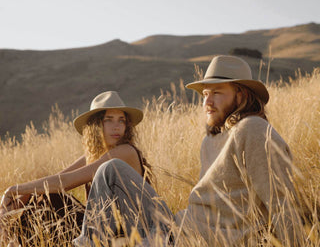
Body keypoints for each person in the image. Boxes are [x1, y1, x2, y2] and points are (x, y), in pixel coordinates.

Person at [72, 55, 302, 246]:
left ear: (241, 95)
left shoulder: (253, 129)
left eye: (217, 93)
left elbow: (281, 203)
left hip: (193, 240)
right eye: (204, 95)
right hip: (176, 225)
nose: (207, 102)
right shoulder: (211, 140)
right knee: (110, 170)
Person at [0, 91, 150, 245]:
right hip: (101, 229)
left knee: (51, 197)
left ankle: (12, 240)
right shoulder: (94, 156)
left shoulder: (125, 151)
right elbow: (56, 179)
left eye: (121, 120)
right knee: (44, 196)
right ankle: (11, 238)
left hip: (129, 232)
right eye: (109, 120)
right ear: (96, 125)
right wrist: (13, 206)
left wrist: (13, 190)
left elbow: (64, 182)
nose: (117, 126)